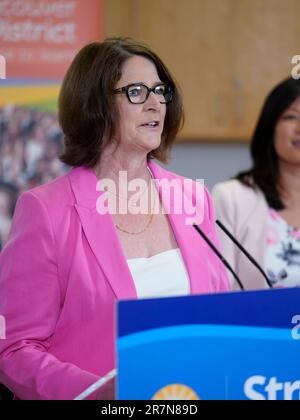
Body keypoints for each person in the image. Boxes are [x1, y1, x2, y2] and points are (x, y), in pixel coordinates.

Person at [0, 37, 229, 400]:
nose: (156, 103)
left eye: (161, 90)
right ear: (95, 104)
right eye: (137, 91)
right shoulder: (46, 210)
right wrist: (100, 392)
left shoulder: (194, 197)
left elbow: (218, 318)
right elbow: (14, 348)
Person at [213, 77, 300, 290]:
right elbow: (220, 288)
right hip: (258, 323)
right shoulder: (231, 198)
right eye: (291, 116)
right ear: (270, 127)